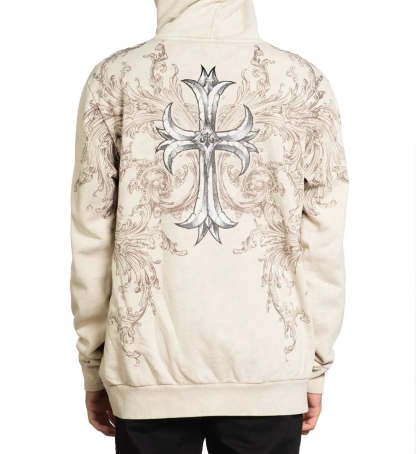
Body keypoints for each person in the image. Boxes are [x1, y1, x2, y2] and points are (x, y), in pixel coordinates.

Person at [70, 1, 349, 452]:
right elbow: (323, 238)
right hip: (269, 367)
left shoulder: (115, 78)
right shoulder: (304, 82)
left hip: (145, 367)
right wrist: (312, 367)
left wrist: (95, 364)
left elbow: (91, 236)